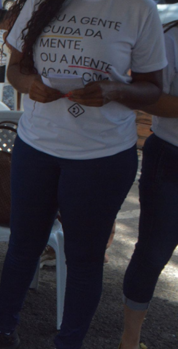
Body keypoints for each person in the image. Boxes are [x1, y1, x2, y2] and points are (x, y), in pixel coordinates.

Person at [0, 0, 164, 349]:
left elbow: (153, 87)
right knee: (22, 246)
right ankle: (1, 329)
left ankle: (68, 341)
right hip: (37, 148)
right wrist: (29, 83)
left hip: (100, 159)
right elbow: (13, 68)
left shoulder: (139, 10)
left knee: (85, 257)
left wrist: (114, 90)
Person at [119, 21, 178, 349]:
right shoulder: (170, 37)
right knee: (153, 253)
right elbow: (152, 99)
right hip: (170, 157)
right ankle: (130, 340)